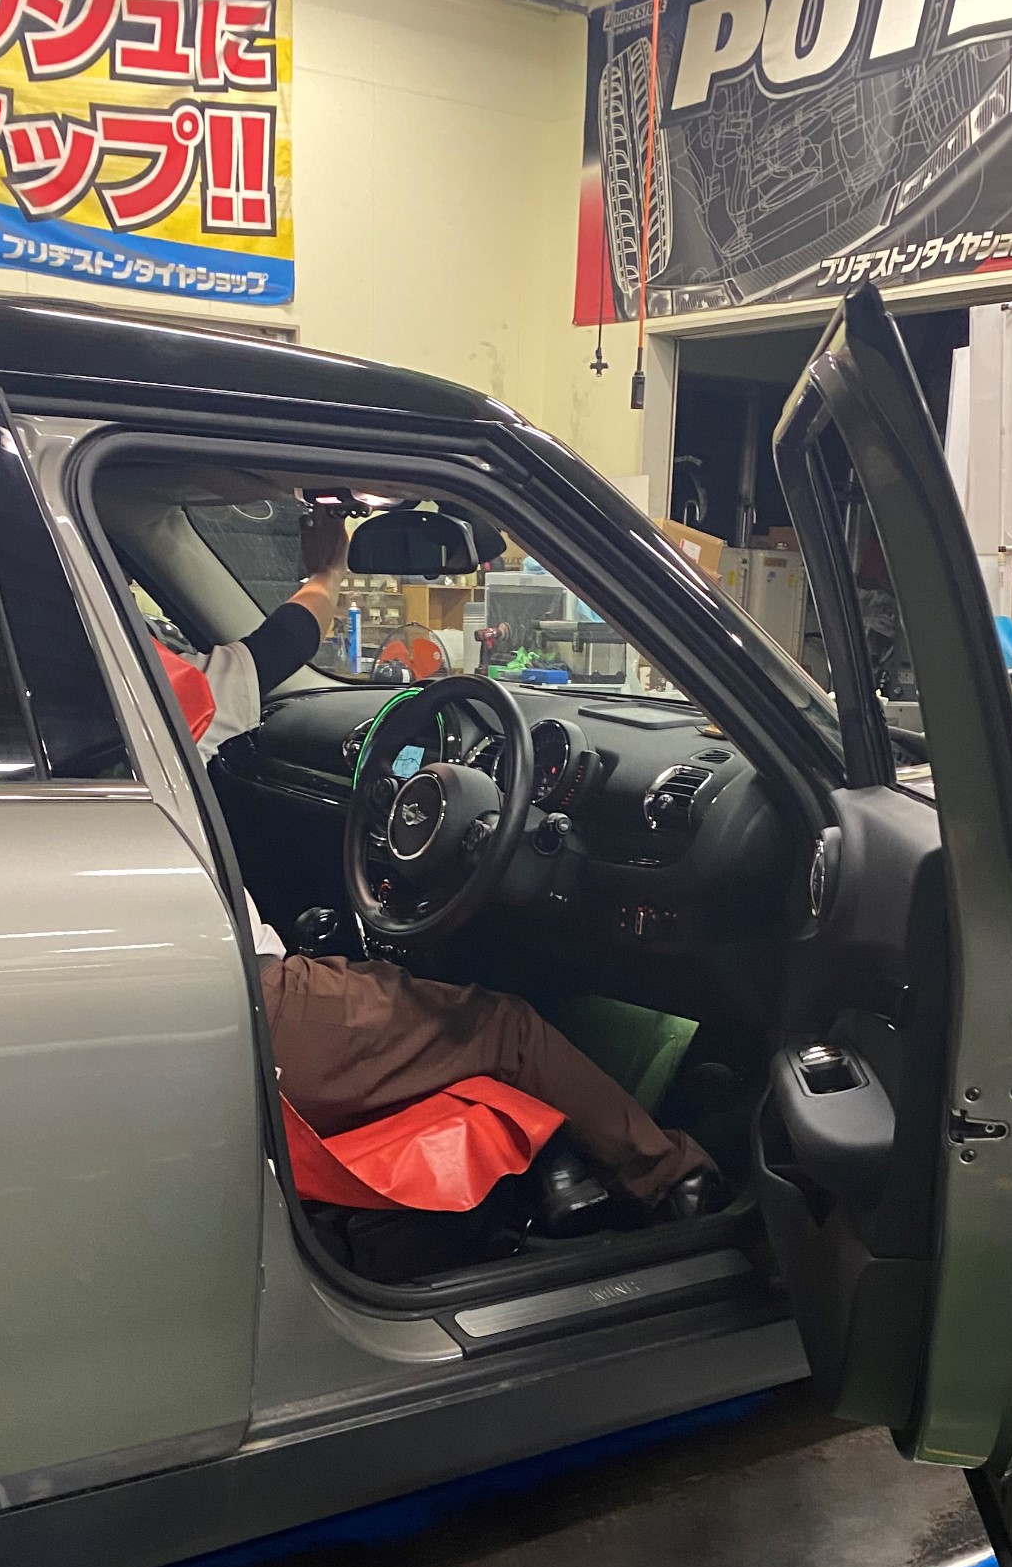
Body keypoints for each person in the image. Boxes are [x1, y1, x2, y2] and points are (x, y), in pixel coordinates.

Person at [164, 506, 719, 1219]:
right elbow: (284, 641)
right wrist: (327, 569)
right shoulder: (156, 697)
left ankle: (550, 1157)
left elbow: (278, 650)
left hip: (197, 1016)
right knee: (506, 1029)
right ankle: (679, 1180)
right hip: (248, 1011)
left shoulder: (95, 716)